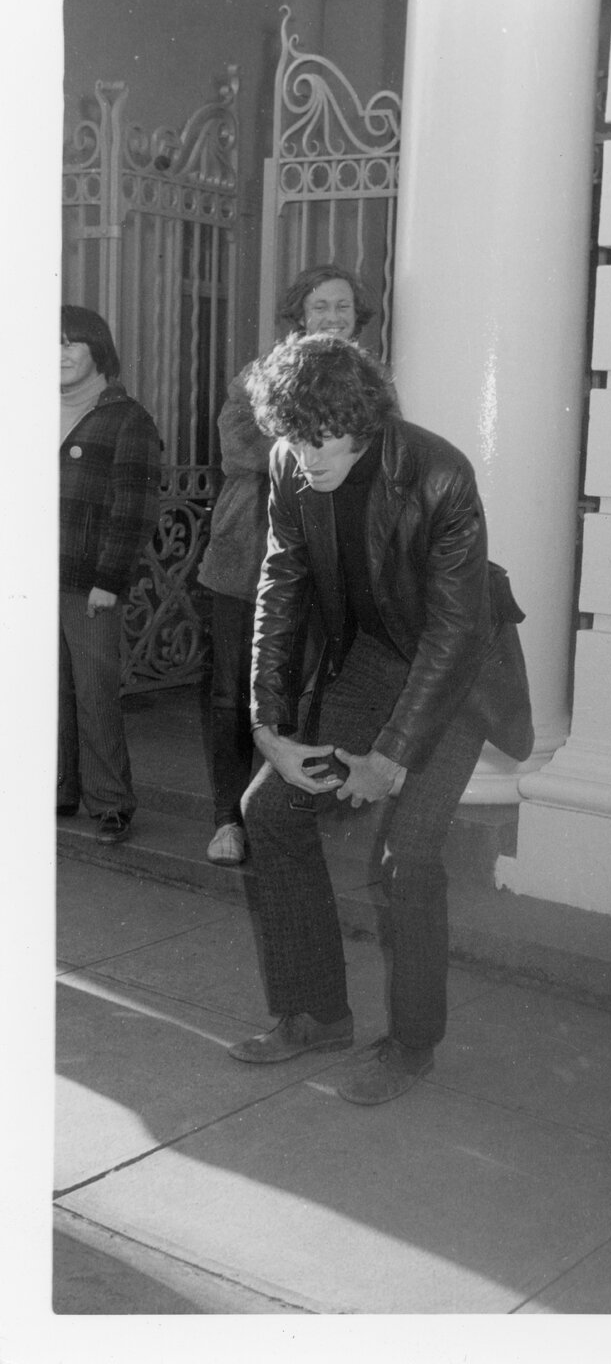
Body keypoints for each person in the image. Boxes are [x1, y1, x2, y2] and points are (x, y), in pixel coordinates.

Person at [228, 334, 533, 1106]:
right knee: (270, 807)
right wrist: (270, 727)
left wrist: (389, 758)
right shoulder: (289, 468)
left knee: (409, 853)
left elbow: (454, 634)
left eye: (322, 438)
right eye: (292, 439)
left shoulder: (438, 473)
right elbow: (282, 586)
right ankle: (317, 1015)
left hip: (456, 672)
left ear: (362, 421)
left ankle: (411, 1043)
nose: (308, 456)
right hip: (373, 660)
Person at [198, 265, 374, 866]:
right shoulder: (260, 375)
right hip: (244, 559)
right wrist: (327, 440)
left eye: (342, 307)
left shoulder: (367, 381)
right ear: (299, 315)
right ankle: (228, 819)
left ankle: (288, 817)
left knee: (309, 690)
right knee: (231, 695)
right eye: (320, 306)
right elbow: (241, 448)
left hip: (327, 564)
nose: (332, 317)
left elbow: (381, 453)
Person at [58, 305, 162, 844]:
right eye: (50, 342)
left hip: (89, 581)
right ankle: (58, 789)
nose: (60, 353)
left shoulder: (127, 418)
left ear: (97, 349)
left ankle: (111, 802)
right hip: (36, 578)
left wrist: (109, 579)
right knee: (46, 690)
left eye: (71, 342)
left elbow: (134, 509)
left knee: (94, 691)